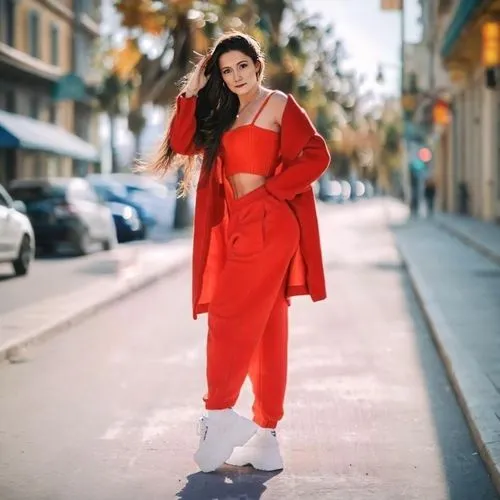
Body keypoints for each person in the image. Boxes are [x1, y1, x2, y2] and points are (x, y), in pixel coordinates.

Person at [149, 32, 330, 473]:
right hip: (238, 226)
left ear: (257, 65)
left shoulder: (278, 104)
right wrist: (191, 92)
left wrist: (273, 192)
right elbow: (183, 142)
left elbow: (316, 155)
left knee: (228, 316)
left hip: (268, 222)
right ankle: (267, 437)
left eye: (242, 67)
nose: (235, 77)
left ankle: (218, 414)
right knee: (267, 327)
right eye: (226, 70)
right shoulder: (224, 112)